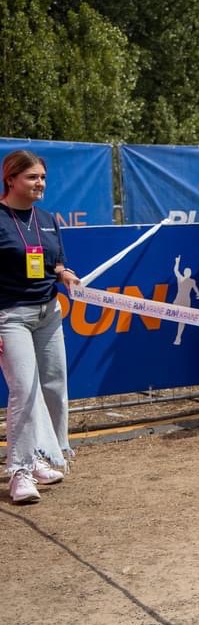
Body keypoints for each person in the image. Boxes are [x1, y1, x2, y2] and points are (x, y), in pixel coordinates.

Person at [0, 150, 79, 503]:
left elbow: (56, 262)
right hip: (9, 317)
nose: (40, 183)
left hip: (48, 312)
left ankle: (40, 458)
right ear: (11, 179)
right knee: (24, 392)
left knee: (53, 387)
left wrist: (64, 273)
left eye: (43, 178)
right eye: (32, 177)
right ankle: (18, 470)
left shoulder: (46, 218)